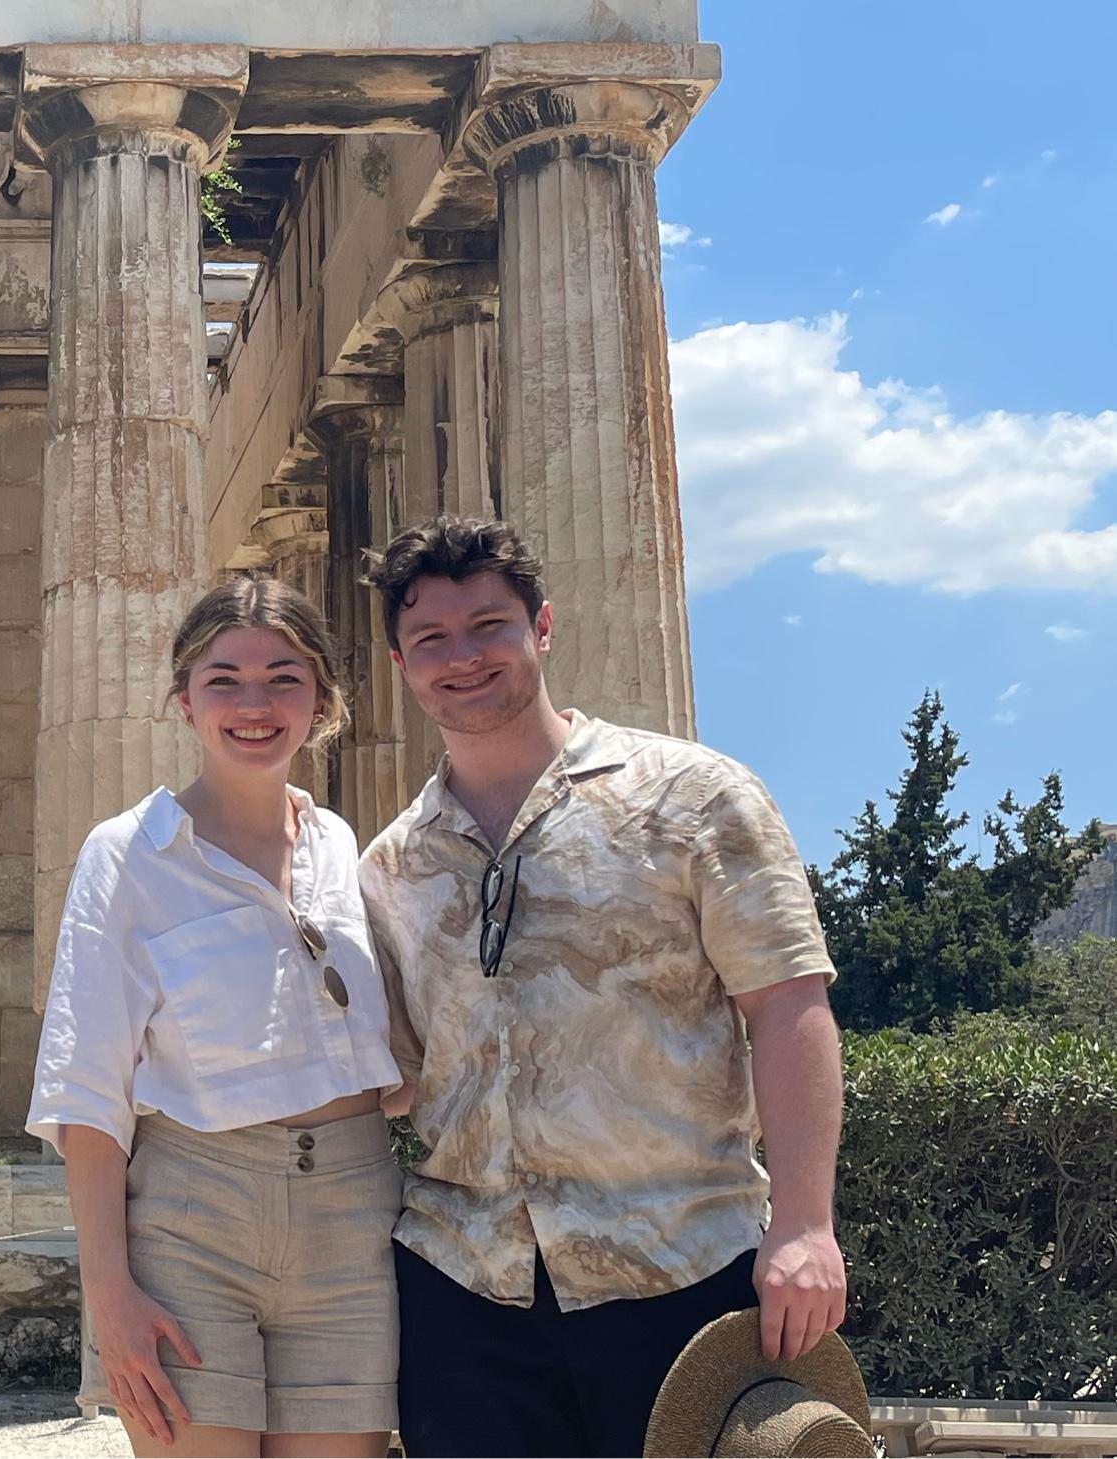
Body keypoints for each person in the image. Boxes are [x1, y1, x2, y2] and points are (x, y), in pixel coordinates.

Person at [356, 516, 848, 1458]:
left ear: (542, 627)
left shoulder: (695, 796)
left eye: (489, 625)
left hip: (680, 1268)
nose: (463, 656)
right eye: (431, 638)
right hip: (464, 1289)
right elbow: (398, 1079)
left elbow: (789, 1003)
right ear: (400, 662)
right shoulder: (390, 866)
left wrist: (805, 1223)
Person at [28, 577, 406, 1458]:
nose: (254, 704)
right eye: (224, 679)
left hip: (354, 1220)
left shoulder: (344, 847)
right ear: (184, 699)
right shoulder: (128, 854)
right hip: (191, 1223)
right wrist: (109, 1294)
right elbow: (89, 1093)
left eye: (283, 678)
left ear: (321, 699)